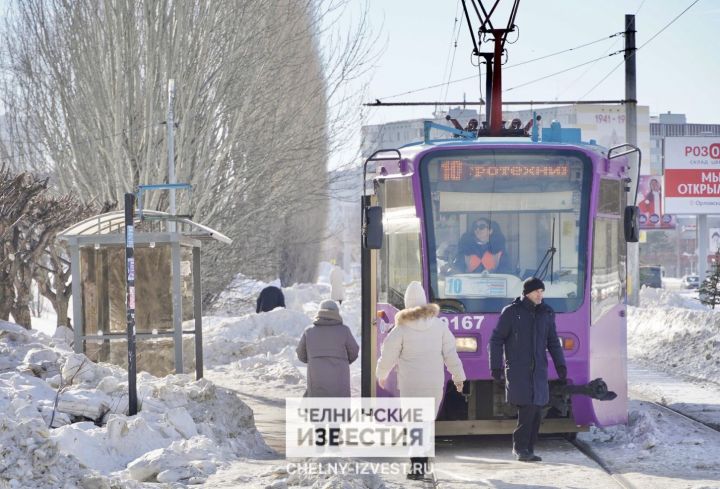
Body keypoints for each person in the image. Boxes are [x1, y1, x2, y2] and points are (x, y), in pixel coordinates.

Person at [376, 281, 466, 480]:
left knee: (414, 425)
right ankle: (422, 463)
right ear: (425, 302)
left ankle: (416, 466)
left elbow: (388, 354)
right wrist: (459, 378)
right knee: (426, 423)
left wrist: (381, 375)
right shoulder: (439, 326)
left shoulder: (400, 329)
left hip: (410, 385)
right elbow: (451, 354)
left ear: (407, 304)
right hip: (434, 385)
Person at [489, 277, 566, 462]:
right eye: (536, 291)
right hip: (518, 370)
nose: (540, 294)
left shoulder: (546, 313)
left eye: (542, 291)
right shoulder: (511, 312)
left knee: (537, 410)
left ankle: (529, 448)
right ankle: (520, 448)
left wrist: (560, 365)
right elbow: (496, 339)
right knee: (527, 408)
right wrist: (495, 366)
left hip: (539, 370)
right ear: (527, 293)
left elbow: (553, 342)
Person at [296, 300, 358, 397]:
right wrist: (343, 360)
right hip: (340, 377)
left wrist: (313, 360)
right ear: (337, 312)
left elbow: (300, 354)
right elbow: (354, 351)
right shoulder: (344, 330)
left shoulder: (309, 331)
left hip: (316, 376)